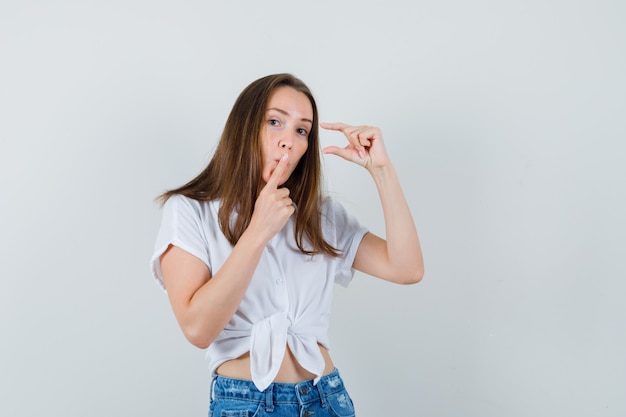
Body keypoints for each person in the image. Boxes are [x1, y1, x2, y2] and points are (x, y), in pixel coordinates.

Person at [150, 73, 423, 417]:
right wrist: (258, 231)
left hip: (327, 399)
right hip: (247, 403)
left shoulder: (318, 215)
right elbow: (198, 329)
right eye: (275, 122)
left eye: (301, 130)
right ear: (244, 128)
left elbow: (407, 268)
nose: (288, 142)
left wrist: (382, 171)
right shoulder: (190, 211)